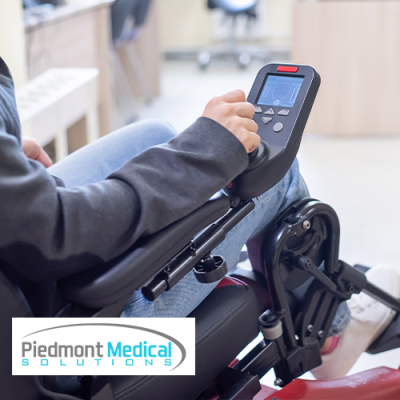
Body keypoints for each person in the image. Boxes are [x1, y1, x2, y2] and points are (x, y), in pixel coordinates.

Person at [0, 56, 399, 387]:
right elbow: (54, 232)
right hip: (53, 348)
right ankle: (331, 338)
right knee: (275, 174)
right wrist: (203, 152)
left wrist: (12, 166)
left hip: (21, 276)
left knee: (154, 134)